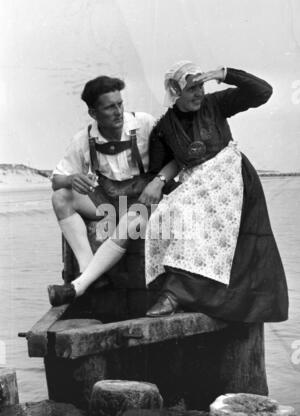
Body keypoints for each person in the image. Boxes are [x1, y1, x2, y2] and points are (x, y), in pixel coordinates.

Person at [142, 61, 288, 322]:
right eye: (192, 88)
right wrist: (160, 181)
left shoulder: (216, 104)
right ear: (176, 92)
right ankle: (177, 290)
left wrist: (224, 74)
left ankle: (175, 295)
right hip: (197, 184)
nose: (199, 93)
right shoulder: (164, 128)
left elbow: (263, 92)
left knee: (192, 211)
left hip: (230, 178)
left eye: (201, 86)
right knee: (166, 215)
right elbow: (158, 171)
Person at [48, 75, 159, 305]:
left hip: (143, 203)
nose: (118, 111)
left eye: (120, 104)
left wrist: (158, 182)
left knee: (132, 217)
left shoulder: (145, 124)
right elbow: (56, 180)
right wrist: (71, 179)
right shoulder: (83, 139)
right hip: (108, 204)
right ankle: (90, 273)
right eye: (109, 107)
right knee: (61, 198)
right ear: (93, 112)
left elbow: (172, 157)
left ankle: (79, 285)